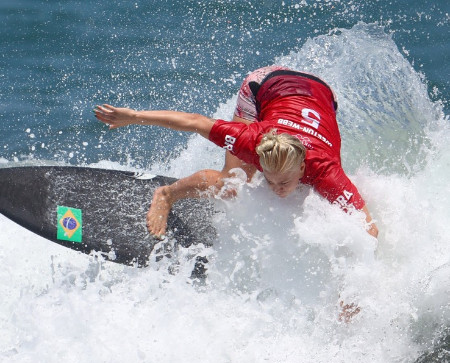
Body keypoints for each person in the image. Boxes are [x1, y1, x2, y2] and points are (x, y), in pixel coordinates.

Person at [94, 66, 379, 241]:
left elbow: (369, 231)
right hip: (263, 84)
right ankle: (167, 195)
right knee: (233, 182)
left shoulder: (326, 170)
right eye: (270, 180)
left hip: (321, 92)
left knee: (318, 197)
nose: (276, 189)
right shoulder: (250, 141)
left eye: (283, 182)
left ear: (304, 167)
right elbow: (195, 122)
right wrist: (133, 116)